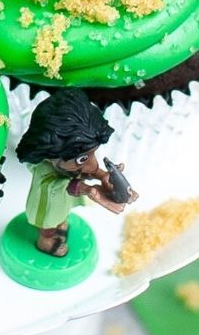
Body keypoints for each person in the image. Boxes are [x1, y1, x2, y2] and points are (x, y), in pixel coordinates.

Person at [16, 88, 137, 257]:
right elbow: (57, 185)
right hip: (47, 204)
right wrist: (88, 190)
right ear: (52, 154)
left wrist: (103, 175)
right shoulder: (43, 169)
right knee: (48, 223)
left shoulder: (71, 160)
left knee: (62, 215)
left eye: (93, 153)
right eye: (82, 159)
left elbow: (86, 170)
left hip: (63, 203)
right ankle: (45, 240)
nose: (92, 164)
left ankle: (60, 224)